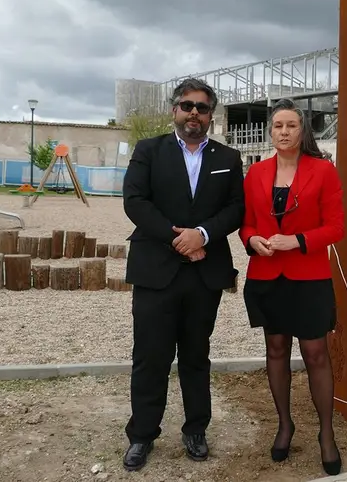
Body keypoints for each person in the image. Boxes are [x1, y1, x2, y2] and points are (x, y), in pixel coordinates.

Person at [120, 78, 245, 471]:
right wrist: (179, 239)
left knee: (196, 355)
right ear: (174, 110)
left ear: (211, 115)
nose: (194, 113)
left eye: (202, 108)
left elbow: (236, 208)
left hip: (204, 272)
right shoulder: (149, 150)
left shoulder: (229, 156)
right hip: (156, 269)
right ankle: (142, 435)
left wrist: (203, 234)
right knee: (150, 357)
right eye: (187, 105)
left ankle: (195, 429)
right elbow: (135, 200)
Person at [238, 98, 345, 476]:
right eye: (278, 126)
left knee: (316, 352)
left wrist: (296, 240)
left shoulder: (323, 171)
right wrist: (252, 241)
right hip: (267, 276)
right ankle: (285, 424)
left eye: (291, 126)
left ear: (303, 131)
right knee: (276, 348)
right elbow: (246, 224)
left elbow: (336, 228)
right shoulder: (254, 174)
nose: (283, 132)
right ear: (271, 131)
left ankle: (326, 434)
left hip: (309, 276)